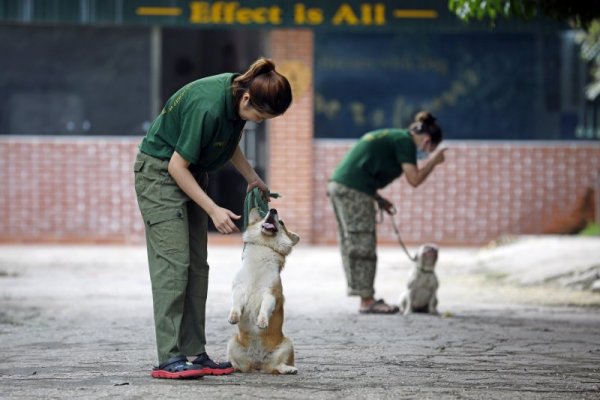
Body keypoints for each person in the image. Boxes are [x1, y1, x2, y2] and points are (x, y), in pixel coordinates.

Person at [133, 58, 292, 379]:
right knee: (173, 264)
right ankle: (169, 357)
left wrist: (252, 177)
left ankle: (194, 351)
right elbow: (176, 166)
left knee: (196, 265)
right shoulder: (207, 105)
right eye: (260, 115)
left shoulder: (237, 98)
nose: (259, 122)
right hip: (160, 175)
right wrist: (213, 209)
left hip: (193, 173)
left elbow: (229, 143)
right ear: (247, 99)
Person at [327, 111, 446, 314]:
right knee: (363, 242)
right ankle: (367, 301)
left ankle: (363, 294)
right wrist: (433, 161)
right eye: (429, 150)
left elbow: (365, 168)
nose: (425, 153)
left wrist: (379, 200)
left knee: (351, 242)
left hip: (341, 186)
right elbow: (414, 179)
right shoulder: (406, 142)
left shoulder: (395, 136)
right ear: (427, 141)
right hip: (354, 190)